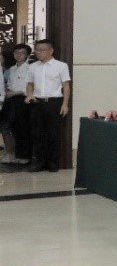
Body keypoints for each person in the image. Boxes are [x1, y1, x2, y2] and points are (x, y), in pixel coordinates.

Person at [22, 39, 70, 172]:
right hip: (37, 103)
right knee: (37, 134)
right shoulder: (32, 66)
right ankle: (38, 162)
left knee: (53, 133)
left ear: (51, 51)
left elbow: (66, 86)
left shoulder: (61, 66)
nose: (39, 52)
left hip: (54, 103)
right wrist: (29, 95)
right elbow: (30, 84)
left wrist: (65, 104)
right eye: (37, 50)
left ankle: (53, 162)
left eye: (42, 50)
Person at [2, 43, 32, 165]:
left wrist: (15, 92)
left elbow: (30, 86)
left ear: (27, 55)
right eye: (16, 53)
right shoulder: (11, 69)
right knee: (12, 127)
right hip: (11, 100)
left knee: (23, 127)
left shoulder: (31, 69)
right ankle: (15, 155)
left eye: (22, 53)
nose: (19, 55)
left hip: (23, 100)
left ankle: (26, 156)